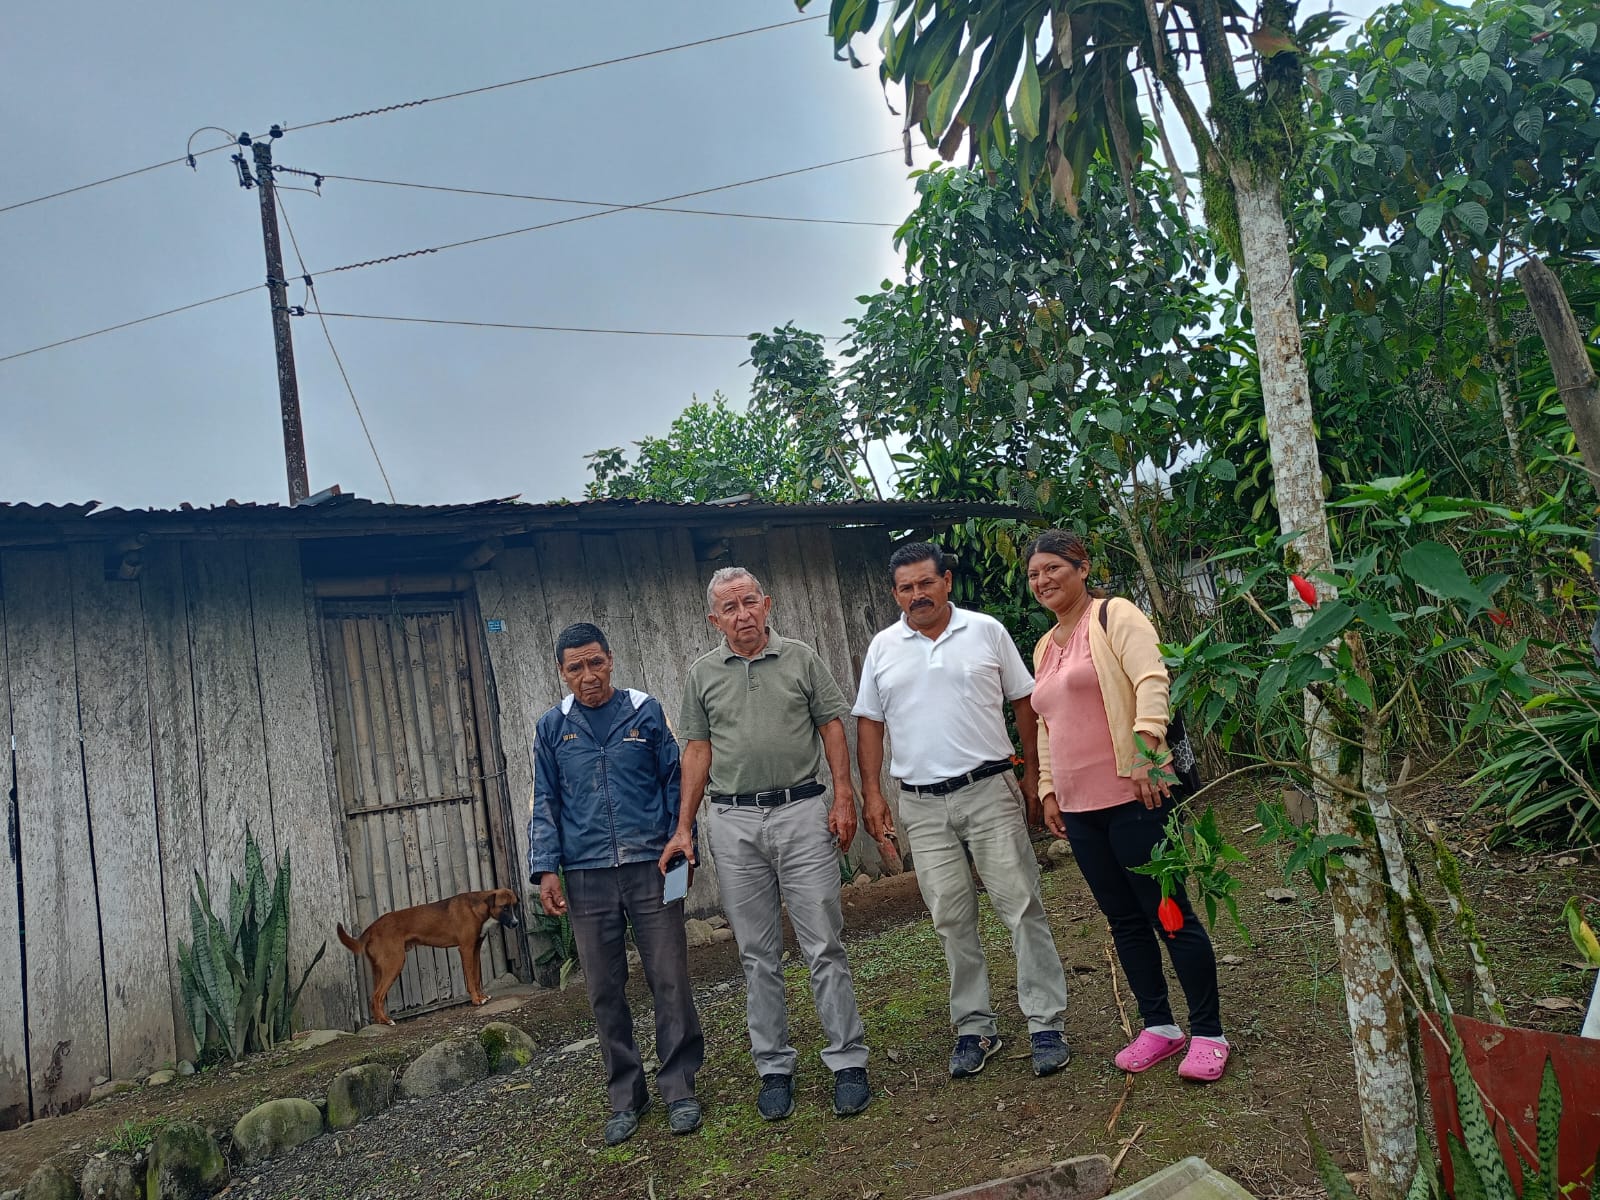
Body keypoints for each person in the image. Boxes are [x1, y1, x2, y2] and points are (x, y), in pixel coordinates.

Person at [657, 567, 871, 1121]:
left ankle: (847, 1060)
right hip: (734, 821)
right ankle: (774, 1067)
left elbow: (831, 726)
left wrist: (843, 796)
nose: (742, 614)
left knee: (823, 941)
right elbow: (697, 750)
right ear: (715, 620)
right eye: (729, 608)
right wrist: (684, 826)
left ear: (767, 603)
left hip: (802, 810)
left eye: (749, 602)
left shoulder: (801, 658)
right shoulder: (702, 674)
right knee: (756, 953)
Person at [855, 542, 1073, 1080]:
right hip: (921, 804)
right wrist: (873, 794)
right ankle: (975, 1026)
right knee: (950, 918)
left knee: (1021, 905)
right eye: (906, 588)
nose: (917, 595)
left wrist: (1032, 772)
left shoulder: (985, 631)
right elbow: (870, 723)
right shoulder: (883, 647)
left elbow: (1024, 701)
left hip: (988, 789)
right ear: (895, 594)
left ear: (947, 581)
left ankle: (1045, 1022)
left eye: (926, 583)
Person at [1024, 529, 1228, 1082]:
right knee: (1123, 921)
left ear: (1082, 568)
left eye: (1053, 568)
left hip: (1135, 793)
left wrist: (1146, 751)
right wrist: (1048, 790)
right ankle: (1159, 1026)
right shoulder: (1044, 646)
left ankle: (1209, 1032)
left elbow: (1152, 679)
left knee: (1169, 912)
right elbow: (1045, 724)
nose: (1042, 580)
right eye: (1034, 574)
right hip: (1079, 808)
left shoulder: (1115, 616)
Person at [529, 622, 706, 1145]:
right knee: (604, 989)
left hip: (653, 866)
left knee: (669, 977)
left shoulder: (644, 711)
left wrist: (683, 839)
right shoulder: (552, 727)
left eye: (596, 663)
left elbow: (675, 781)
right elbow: (545, 800)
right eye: (575, 668)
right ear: (562, 672)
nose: (588, 676)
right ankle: (626, 1096)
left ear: (610, 659)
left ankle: (679, 1088)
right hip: (586, 876)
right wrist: (546, 868)